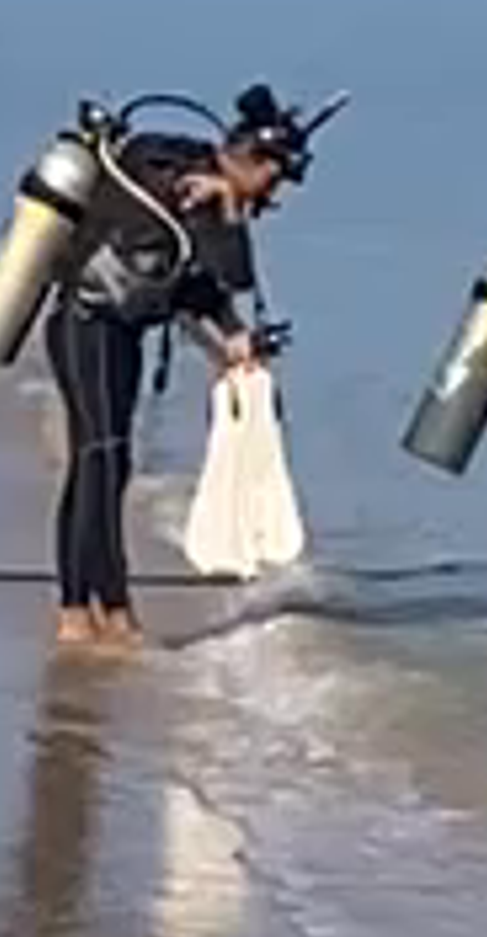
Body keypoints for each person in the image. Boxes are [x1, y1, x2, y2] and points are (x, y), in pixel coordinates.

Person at [42, 85, 323, 654]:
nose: (274, 195)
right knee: (98, 459)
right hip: (84, 323)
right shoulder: (166, 166)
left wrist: (232, 336)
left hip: (121, 331)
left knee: (110, 466)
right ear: (252, 159)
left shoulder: (207, 192)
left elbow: (215, 279)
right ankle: (85, 613)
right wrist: (214, 198)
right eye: (274, 178)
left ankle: (103, 609)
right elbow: (144, 188)